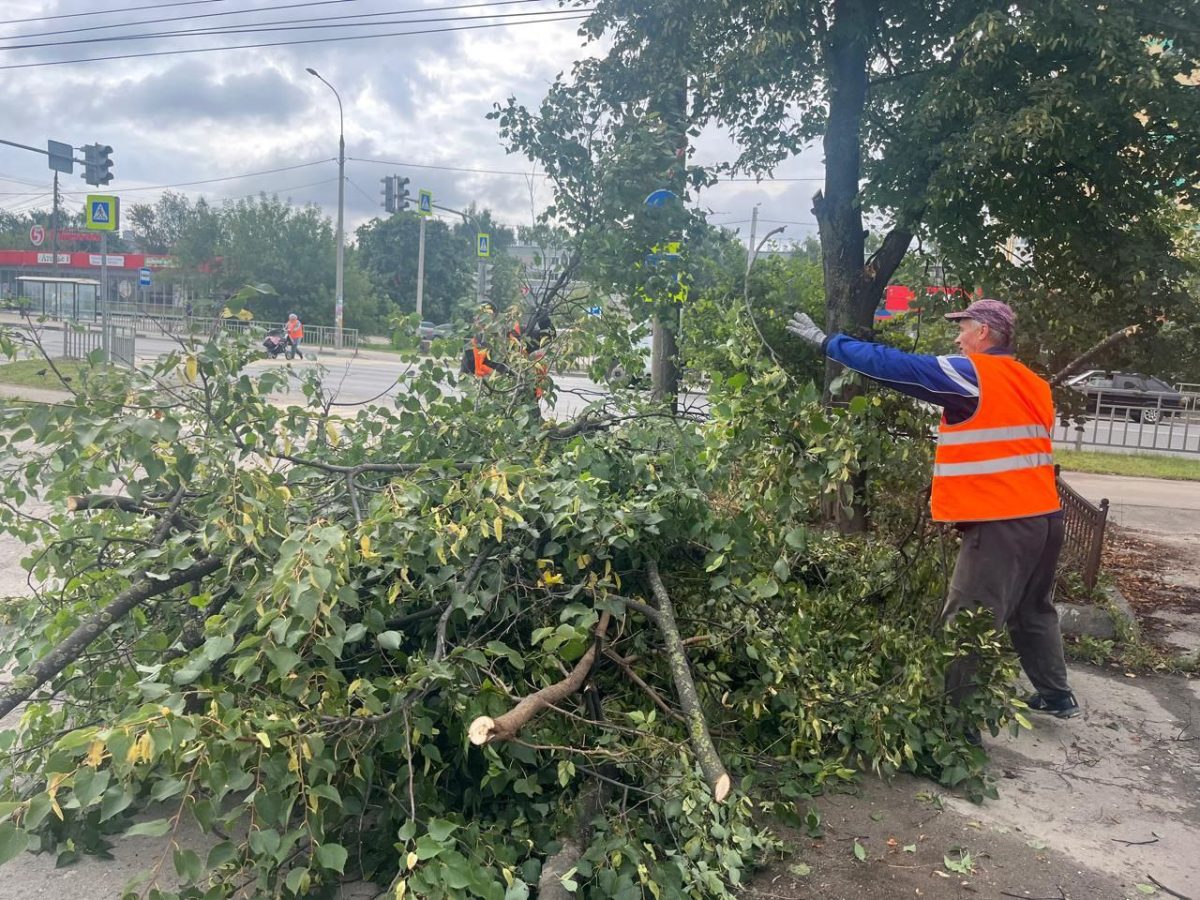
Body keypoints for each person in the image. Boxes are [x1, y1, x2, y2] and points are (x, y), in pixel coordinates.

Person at [786, 299, 1081, 727]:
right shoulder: (1032, 382)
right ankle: (1056, 695)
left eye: (961, 328)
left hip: (1001, 524)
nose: (957, 338)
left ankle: (955, 729)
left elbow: (897, 366)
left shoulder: (973, 375)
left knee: (969, 619)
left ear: (982, 332)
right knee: (1034, 608)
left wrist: (830, 344)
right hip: (1045, 518)